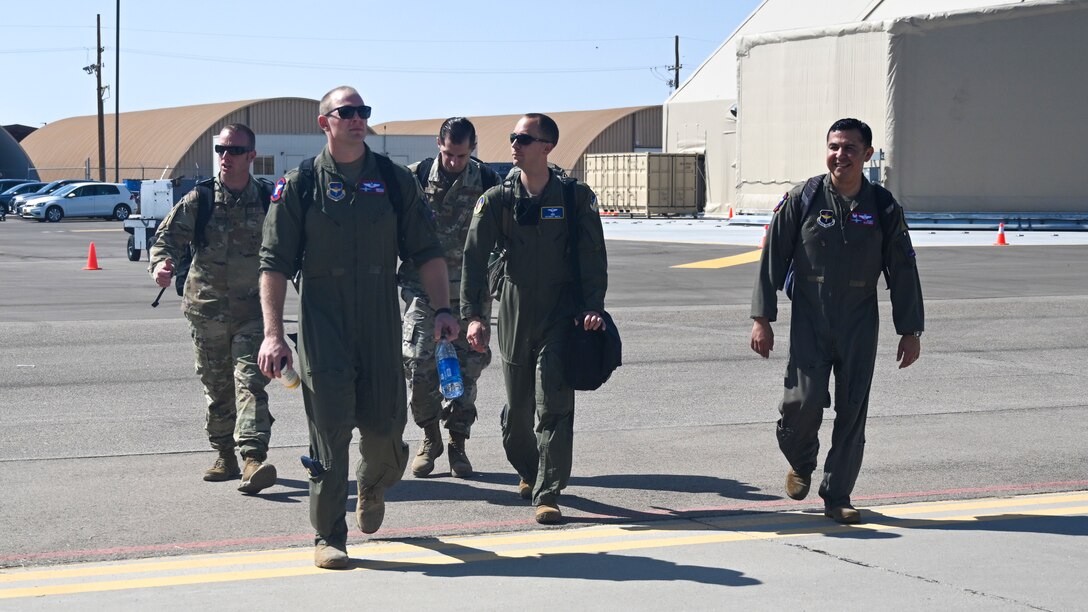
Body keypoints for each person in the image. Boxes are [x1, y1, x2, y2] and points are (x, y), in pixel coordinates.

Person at [257, 86, 458, 569]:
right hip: (323, 320)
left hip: (378, 316)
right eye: (346, 112)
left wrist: (444, 309)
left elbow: (427, 251)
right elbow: (274, 262)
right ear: (324, 122)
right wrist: (272, 333)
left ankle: (373, 482)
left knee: (386, 426)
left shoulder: (392, 180)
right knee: (328, 431)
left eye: (363, 111)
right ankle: (330, 535)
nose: (357, 119)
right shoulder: (301, 182)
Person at [749, 118, 924, 525]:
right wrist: (762, 318)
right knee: (802, 402)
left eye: (849, 148)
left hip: (860, 321)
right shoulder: (804, 198)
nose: (839, 155)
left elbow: (903, 269)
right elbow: (771, 259)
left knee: (852, 411)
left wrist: (909, 330)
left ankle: (838, 493)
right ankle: (801, 459)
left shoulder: (882, 206)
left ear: (867, 154)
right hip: (811, 318)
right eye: (834, 146)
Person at [461, 113, 608, 525]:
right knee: (520, 412)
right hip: (513, 309)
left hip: (560, 314)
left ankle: (548, 491)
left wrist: (593, 305)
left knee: (555, 405)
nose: (515, 144)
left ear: (547, 146)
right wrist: (474, 316)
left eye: (524, 138)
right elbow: (473, 260)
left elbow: (593, 257)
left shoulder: (574, 198)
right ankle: (529, 469)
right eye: (513, 137)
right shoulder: (496, 201)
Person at [148, 123, 277, 494]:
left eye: (234, 151)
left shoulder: (269, 201)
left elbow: (292, 245)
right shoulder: (199, 200)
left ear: (251, 156)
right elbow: (166, 239)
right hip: (206, 311)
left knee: (250, 382)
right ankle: (225, 454)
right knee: (218, 387)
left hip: (255, 313)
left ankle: (253, 458)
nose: (225, 157)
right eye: (220, 150)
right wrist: (161, 265)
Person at [401, 117, 501, 479]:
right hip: (422, 292)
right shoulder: (414, 177)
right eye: (448, 154)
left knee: (467, 369)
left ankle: (458, 442)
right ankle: (430, 436)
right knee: (417, 364)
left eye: (461, 155)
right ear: (437, 146)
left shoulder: (489, 182)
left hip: (470, 294)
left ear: (472, 148)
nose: (454, 162)